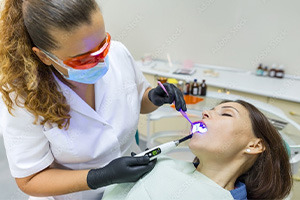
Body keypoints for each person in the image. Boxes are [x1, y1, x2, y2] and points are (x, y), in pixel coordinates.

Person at [0, 0, 186, 200]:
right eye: (82, 58)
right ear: (44, 57)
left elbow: (137, 100)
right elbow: (30, 179)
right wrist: (100, 177)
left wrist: (152, 97)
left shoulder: (118, 53)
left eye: (102, 45)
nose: (100, 60)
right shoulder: (22, 96)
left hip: (130, 188)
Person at [102, 100, 293, 200]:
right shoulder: (163, 164)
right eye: (211, 109)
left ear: (254, 145)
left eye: (226, 113)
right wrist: (105, 176)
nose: (205, 112)